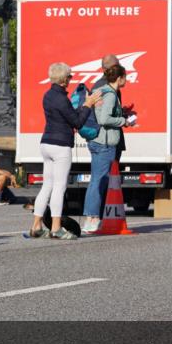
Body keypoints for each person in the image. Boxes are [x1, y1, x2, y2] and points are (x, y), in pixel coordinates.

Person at [30, 62, 102, 239]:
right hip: (60, 146)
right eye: (69, 77)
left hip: (46, 143)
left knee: (47, 186)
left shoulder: (48, 95)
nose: (70, 80)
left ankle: (36, 226)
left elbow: (67, 115)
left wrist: (82, 107)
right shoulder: (62, 98)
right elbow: (76, 122)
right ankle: (56, 228)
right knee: (59, 187)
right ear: (63, 80)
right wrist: (88, 104)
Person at [82, 64, 133, 233]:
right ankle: (92, 218)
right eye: (125, 76)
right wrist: (123, 121)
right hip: (104, 143)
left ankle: (90, 218)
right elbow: (104, 119)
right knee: (99, 180)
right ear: (119, 78)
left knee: (95, 179)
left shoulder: (101, 90)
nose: (126, 80)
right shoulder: (110, 94)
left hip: (96, 141)